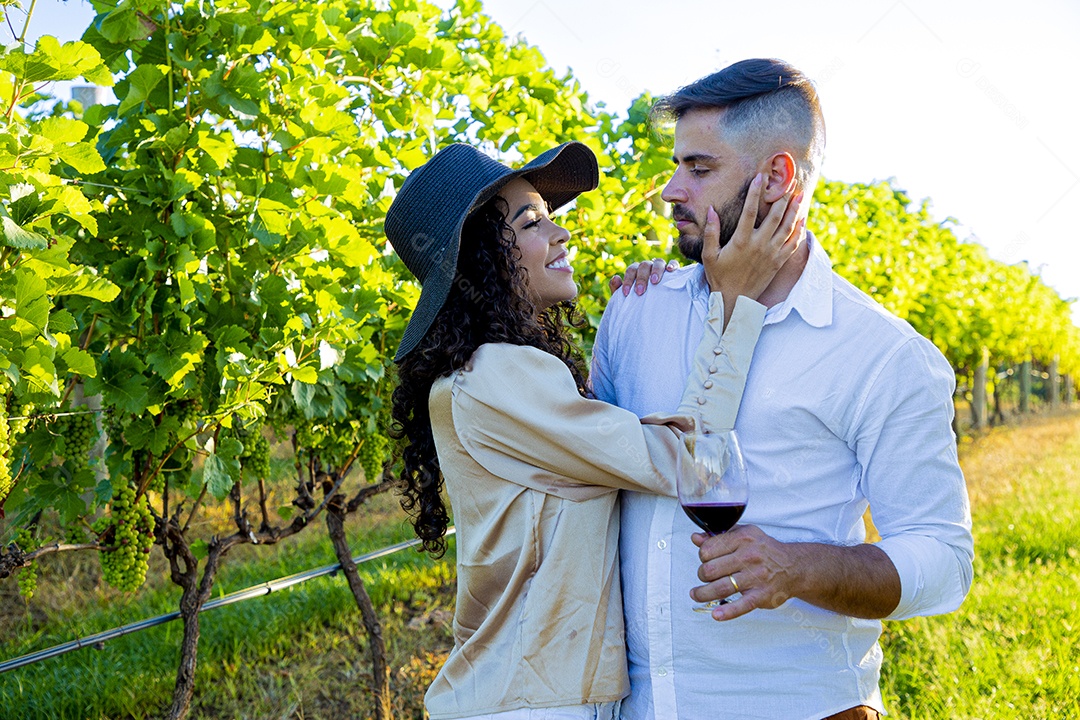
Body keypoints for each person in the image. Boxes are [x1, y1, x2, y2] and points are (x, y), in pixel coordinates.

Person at [591, 59, 975, 720]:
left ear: (776, 176)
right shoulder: (635, 309)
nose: (671, 190)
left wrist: (797, 567)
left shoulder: (882, 353)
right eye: (677, 165)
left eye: (700, 169)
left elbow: (943, 559)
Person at [384, 140, 801, 720]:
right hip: (532, 704)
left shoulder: (484, 374)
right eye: (532, 223)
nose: (561, 236)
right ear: (481, 255)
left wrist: (648, 308)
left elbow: (607, 444)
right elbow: (684, 460)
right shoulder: (500, 373)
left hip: (534, 696)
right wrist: (735, 304)